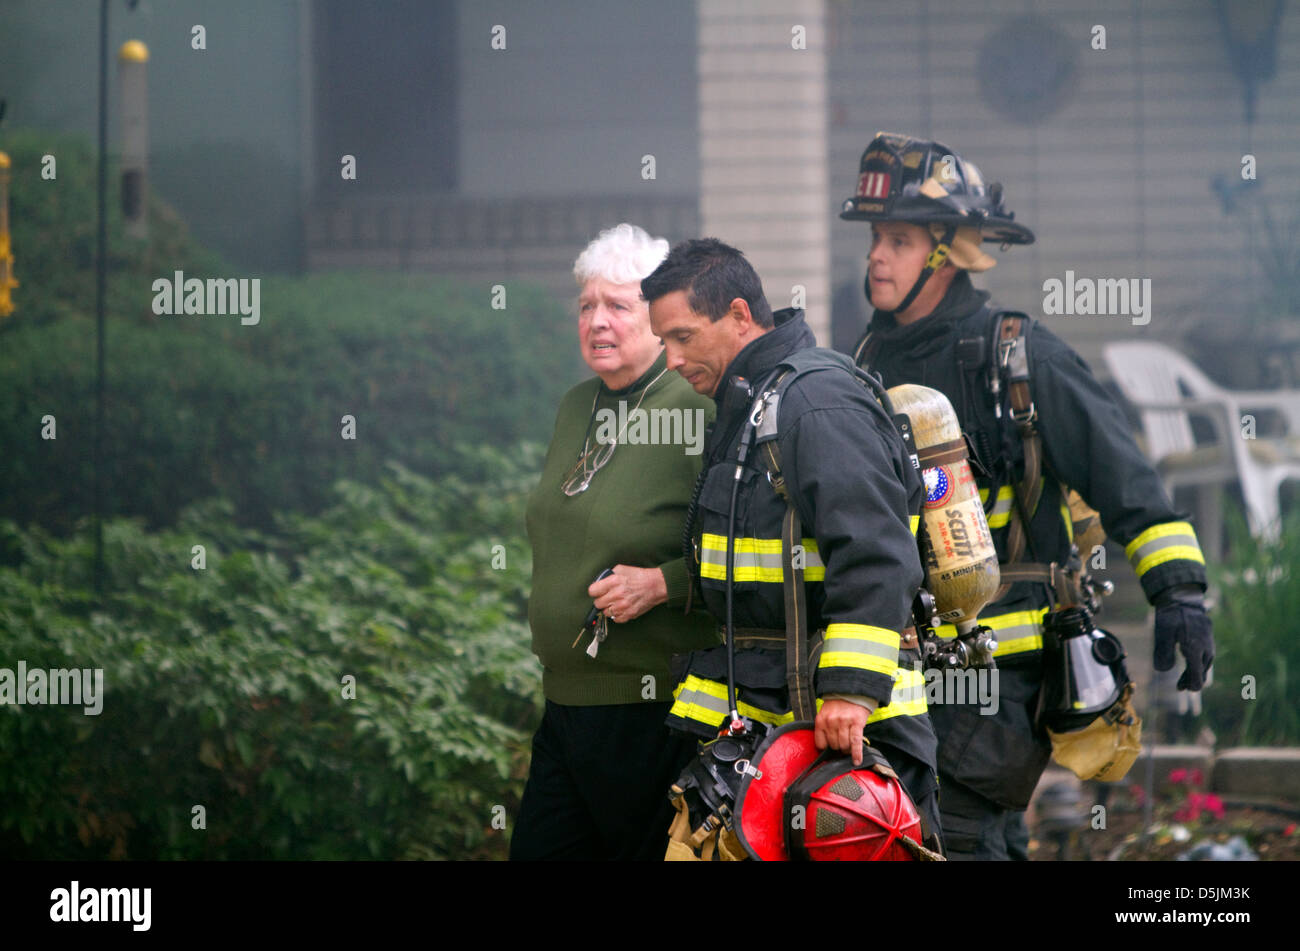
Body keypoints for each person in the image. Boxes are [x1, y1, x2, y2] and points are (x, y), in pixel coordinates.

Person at [839, 131, 1215, 859]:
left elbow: (1125, 477)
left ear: (947, 254)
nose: (876, 256)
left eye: (900, 240)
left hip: (997, 679)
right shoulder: (861, 362)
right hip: (893, 673)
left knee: (970, 837)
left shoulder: (1019, 358)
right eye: (875, 238)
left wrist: (1180, 593)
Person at [642, 238, 944, 848]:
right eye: (663, 343)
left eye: (683, 337)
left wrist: (852, 691)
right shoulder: (754, 404)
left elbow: (878, 553)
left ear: (737, 315)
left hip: (847, 735)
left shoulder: (815, 403)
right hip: (778, 725)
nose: (671, 360)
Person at [510, 223, 720, 861]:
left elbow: (749, 544)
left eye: (617, 306)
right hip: (564, 705)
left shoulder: (697, 408)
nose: (597, 321)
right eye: (585, 306)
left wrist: (662, 584)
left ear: (656, 319)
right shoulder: (576, 405)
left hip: (649, 710)